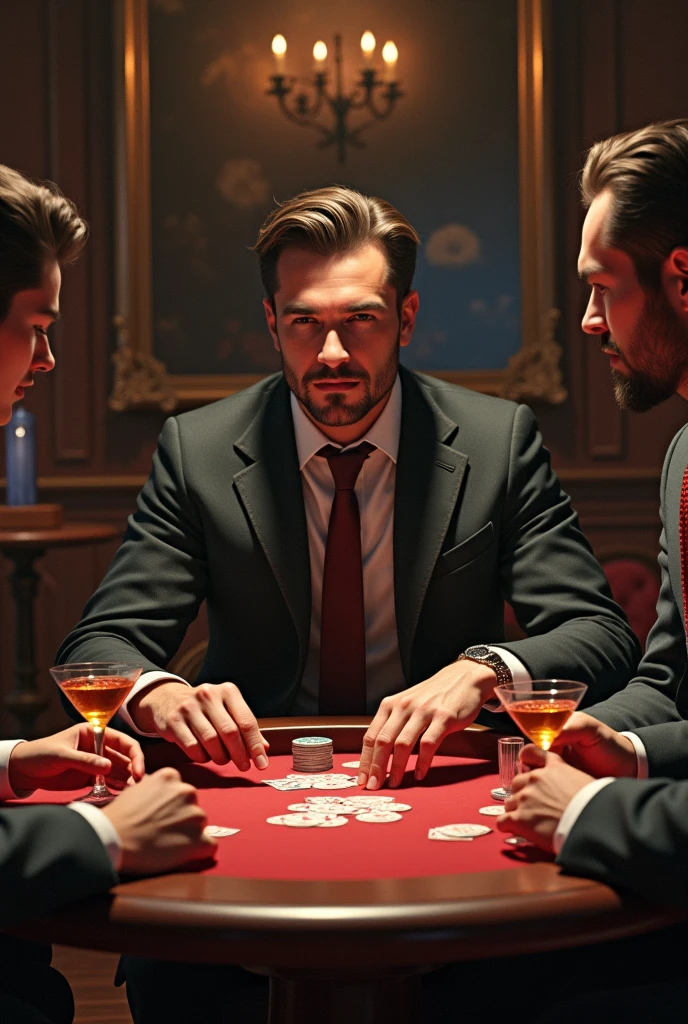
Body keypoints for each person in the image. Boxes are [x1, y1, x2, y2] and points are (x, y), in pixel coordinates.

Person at [55, 185, 639, 1022]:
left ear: (405, 318)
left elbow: (597, 632)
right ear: (271, 324)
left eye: (359, 320)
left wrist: (484, 671)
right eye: (303, 322)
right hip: (251, 810)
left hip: (452, 805)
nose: (331, 351)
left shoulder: (497, 440)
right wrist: (159, 692)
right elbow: (104, 641)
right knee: (178, 987)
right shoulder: (197, 450)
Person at [0, 163, 215, 1024]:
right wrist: (105, 835)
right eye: (36, 327)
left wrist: (11, 763)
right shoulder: (197, 452)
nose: (49, 358)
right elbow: (103, 636)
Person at [496, 119, 688, 1023]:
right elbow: (671, 677)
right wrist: (623, 744)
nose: (585, 321)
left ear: (682, 280)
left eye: (603, 290)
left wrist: (589, 813)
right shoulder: (684, 453)